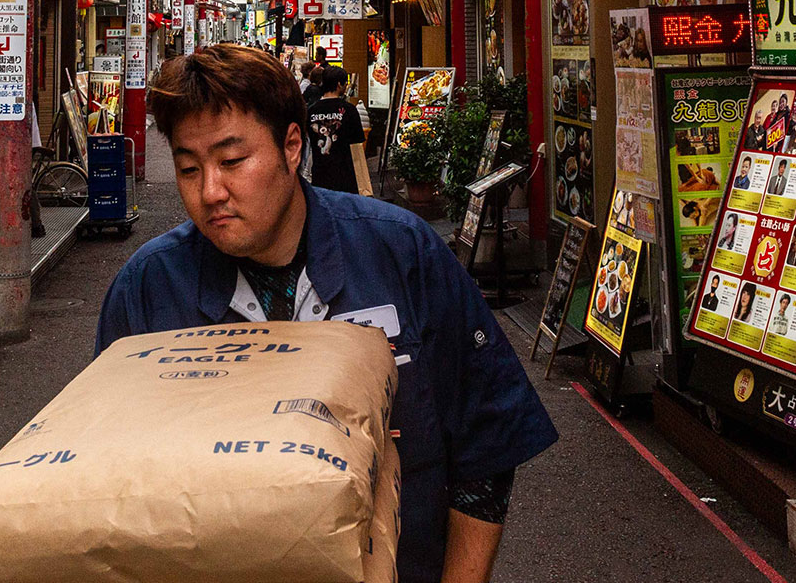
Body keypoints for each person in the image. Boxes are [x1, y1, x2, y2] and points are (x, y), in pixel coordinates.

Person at [97, 46, 556, 583]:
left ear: (292, 146)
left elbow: (487, 438)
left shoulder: (401, 252)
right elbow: (109, 483)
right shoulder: (147, 291)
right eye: (188, 168)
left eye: (232, 161)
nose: (210, 192)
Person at [304, 65, 370, 196]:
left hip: (320, 174)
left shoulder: (311, 111)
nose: (346, 86)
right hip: (346, 176)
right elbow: (357, 146)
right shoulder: (350, 110)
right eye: (345, 83)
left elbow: (307, 142)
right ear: (339, 84)